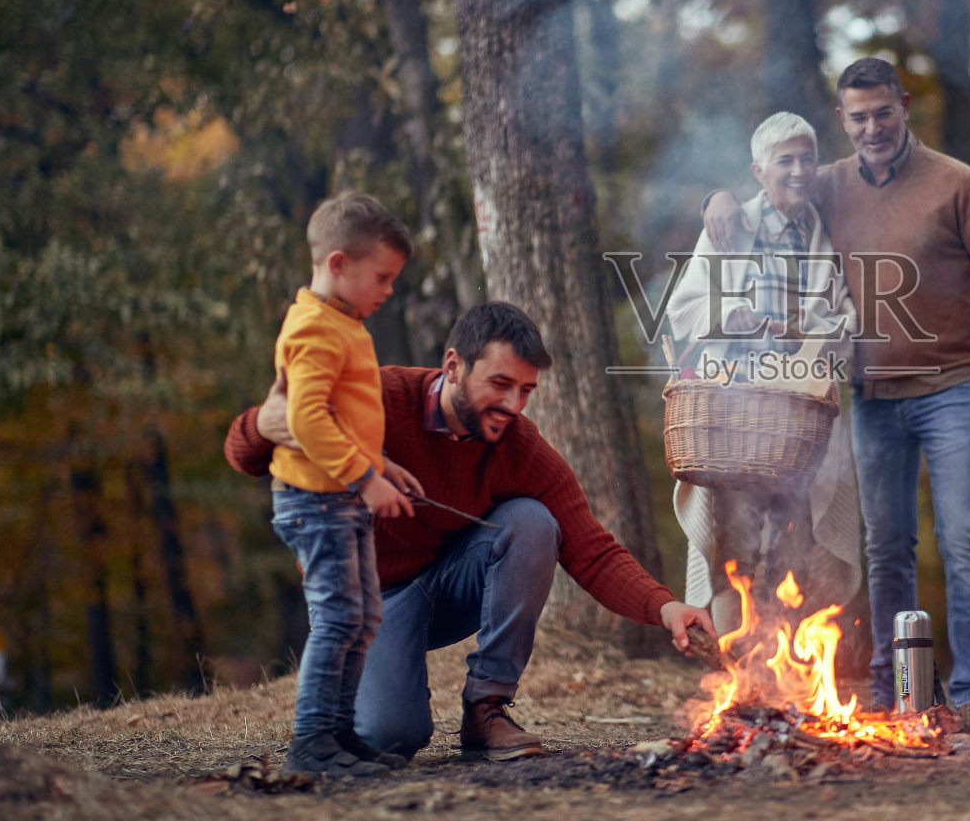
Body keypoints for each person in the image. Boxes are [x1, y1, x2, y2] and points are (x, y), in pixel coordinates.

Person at [227, 302, 716, 761]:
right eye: (500, 384)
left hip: (448, 588)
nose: (514, 404)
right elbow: (243, 454)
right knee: (390, 736)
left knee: (532, 521)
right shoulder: (377, 398)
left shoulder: (518, 446)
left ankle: (486, 707)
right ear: (454, 366)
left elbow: (590, 548)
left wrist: (664, 607)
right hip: (365, 600)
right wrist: (263, 424)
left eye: (526, 390)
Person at [704, 58, 970, 726]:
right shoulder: (825, 182)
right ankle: (891, 688)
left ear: (903, 105)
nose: (873, 127)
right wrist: (717, 200)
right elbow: (767, 192)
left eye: (883, 112)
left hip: (950, 386)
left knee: (963, 538)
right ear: (842, 119)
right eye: (858, 117)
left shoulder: (956, 182)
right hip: (872, 397)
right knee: (886, 546)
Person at [668, 112, 862, 634]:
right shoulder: (729, 226)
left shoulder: (822, 232)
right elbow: (682, 310)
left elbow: (846, 323)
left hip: (800, 421)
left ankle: (782, 669)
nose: (798, 170)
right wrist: (728, 312)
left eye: (807, 159)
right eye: (785, 161)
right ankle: (732, 668)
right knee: (734, 546)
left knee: (796, 545)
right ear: (759, 171)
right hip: (735, 416)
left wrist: (801, 327)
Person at [268, 191, 416, 778]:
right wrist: (366, 479)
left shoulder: (344, 323)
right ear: (337, 263)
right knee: (336, 619)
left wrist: (380, 465)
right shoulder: (314, 328)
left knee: (362, 617)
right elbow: (306, 419)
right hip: (315, 501)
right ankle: (311, 743)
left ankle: (339, 733)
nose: (388, 290)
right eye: (381, 277)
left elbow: (341, 415)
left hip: (341, 497)